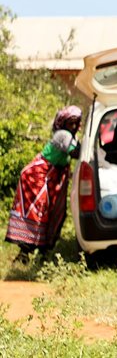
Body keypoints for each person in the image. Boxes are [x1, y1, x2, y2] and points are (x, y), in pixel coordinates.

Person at [5, 105, 83, 264]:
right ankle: (25, 253)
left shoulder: (70, 136)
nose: (74, 127)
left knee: (55, 213)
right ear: (63, 124)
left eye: (76, 123)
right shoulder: (63, 135)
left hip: (51, 179)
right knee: (37, 212)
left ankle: (42, 253)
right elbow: (76, 153)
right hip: (38, 177)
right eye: (71, 123)